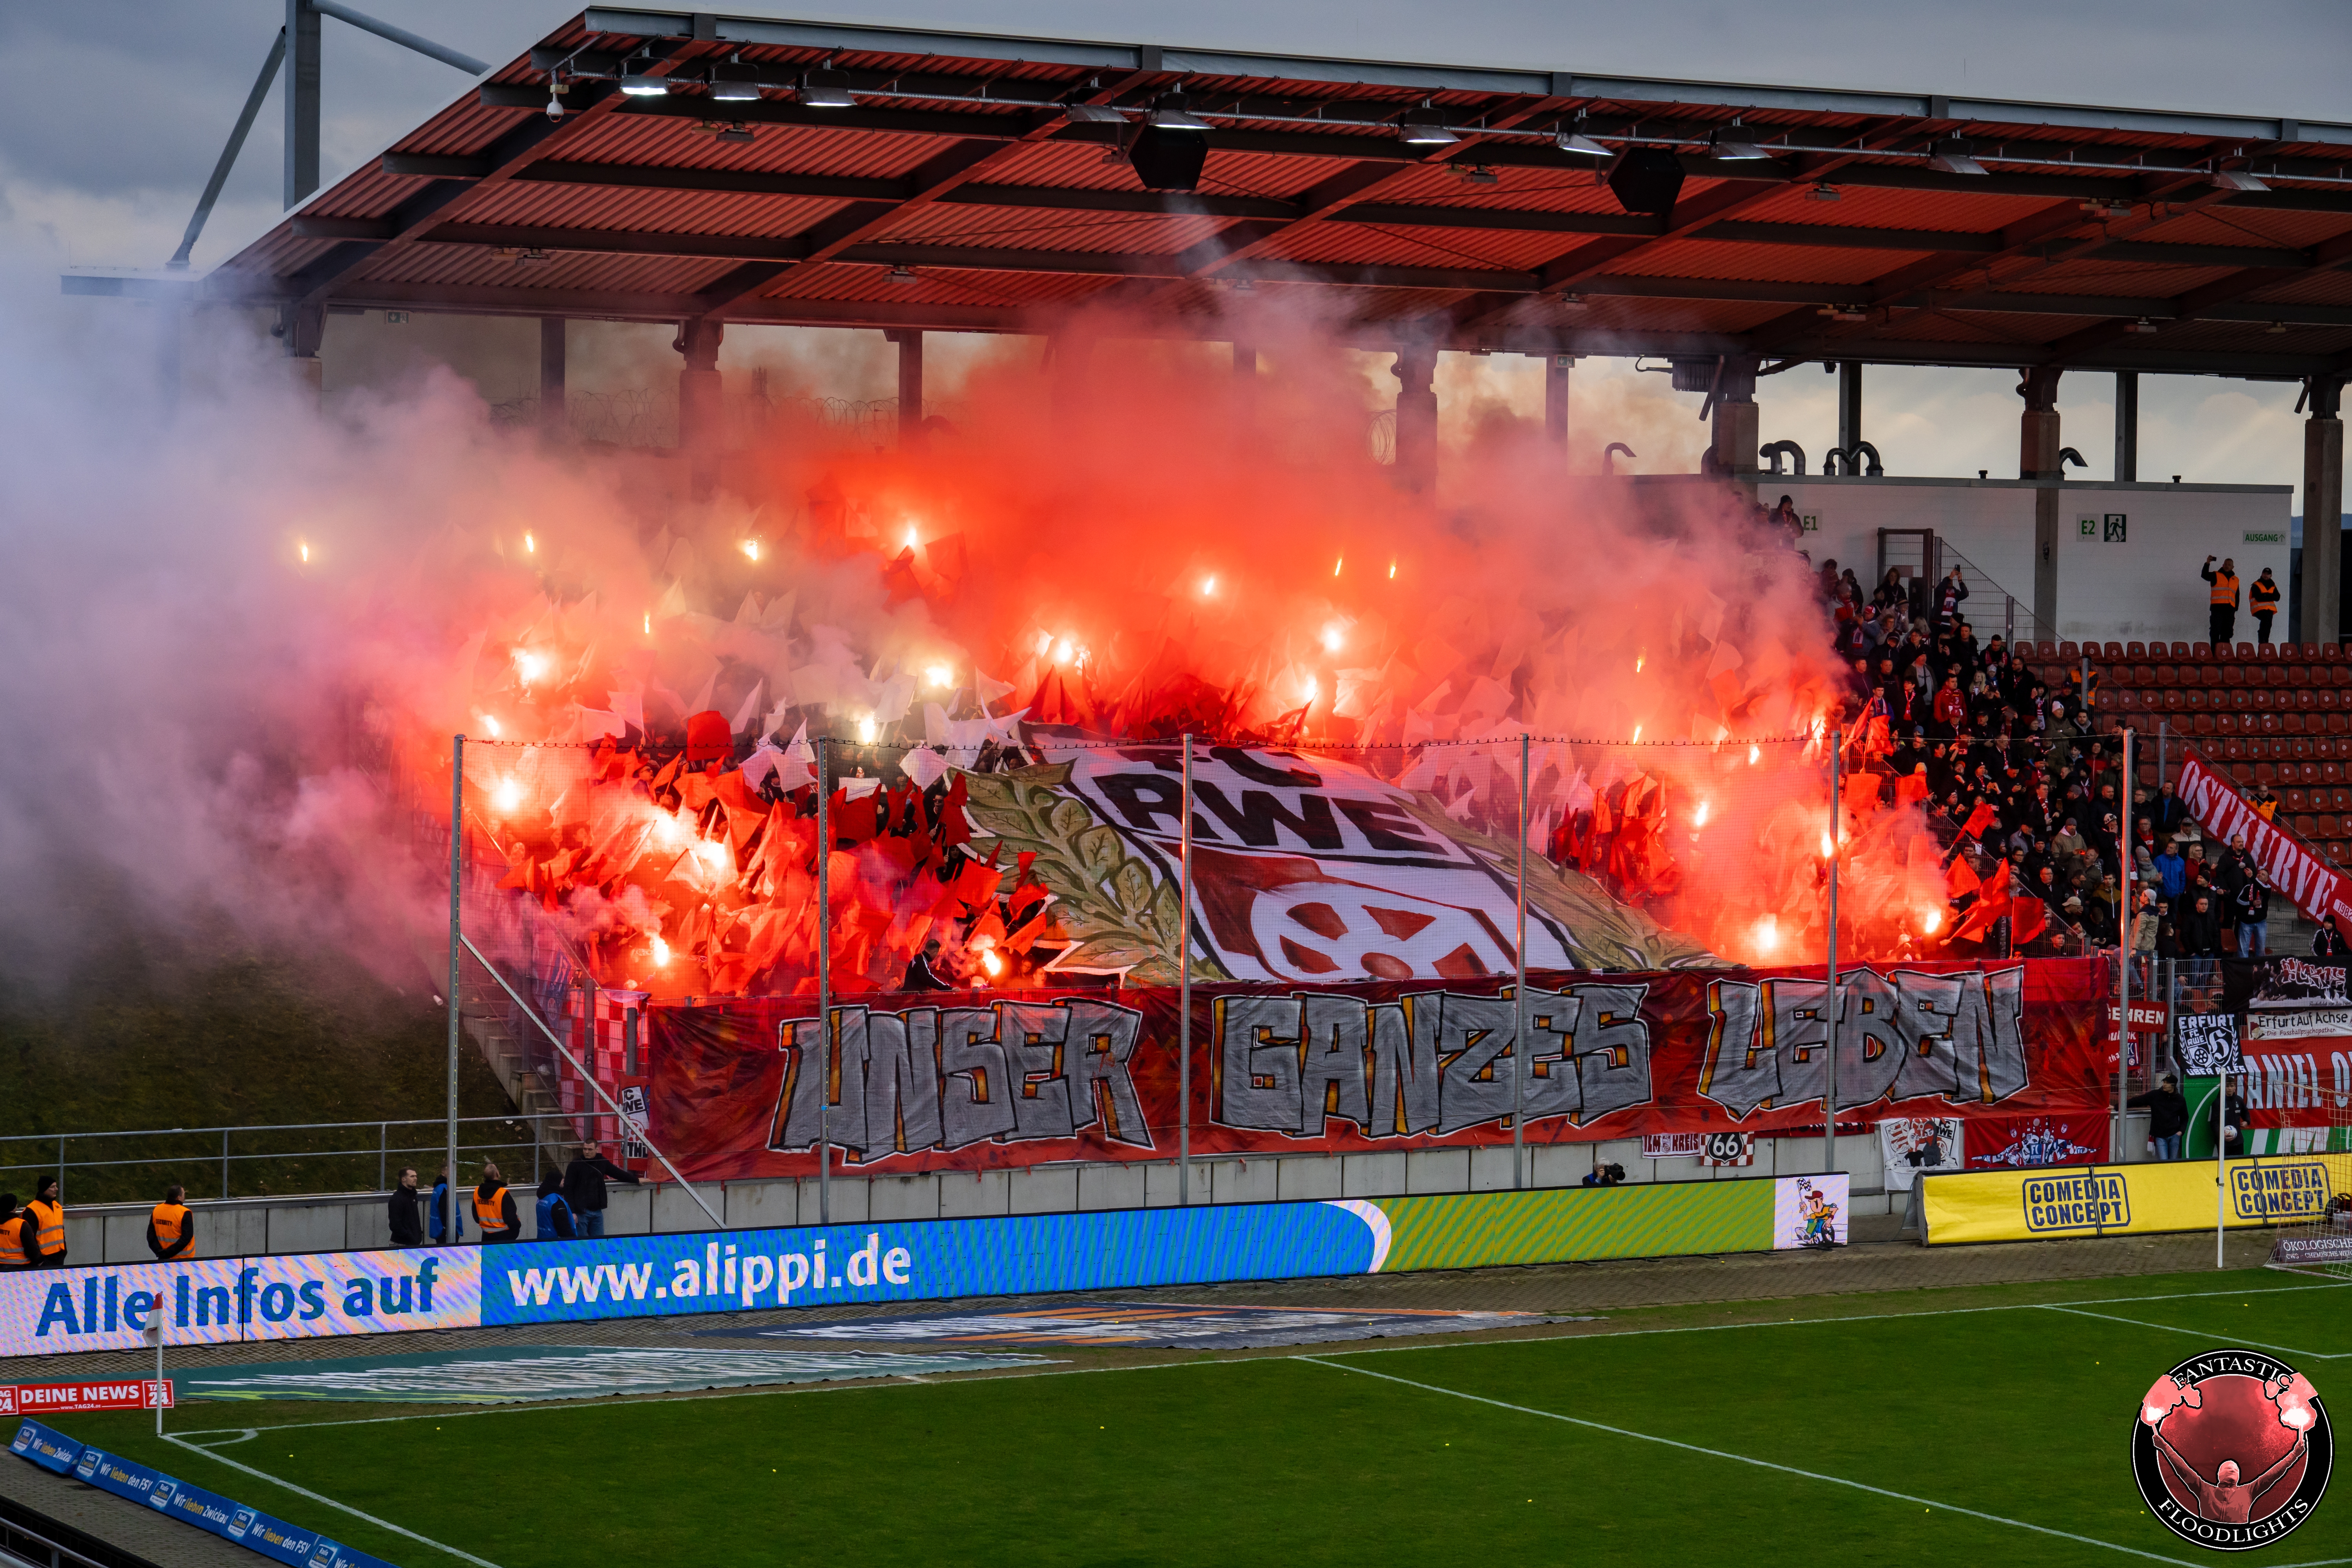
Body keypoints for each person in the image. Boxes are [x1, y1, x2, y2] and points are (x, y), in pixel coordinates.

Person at [562, 1143, 642, 1240]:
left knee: (600, 1243)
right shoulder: (575, 1164)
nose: (587, 1152)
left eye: (590, 1149)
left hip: (597, 1212)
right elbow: (568, 1188)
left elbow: (618, 1173)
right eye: (585, 1149)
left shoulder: (602, 1162)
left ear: (597, 1149)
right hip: (581, 1213)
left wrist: (637, 1180)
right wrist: (572, 1212)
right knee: (582, 1244)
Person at [2132, 1075, 2190, 1161]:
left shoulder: (2180, 1099)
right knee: (2164, 1162)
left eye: (2167, 1083)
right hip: (2160, 1137)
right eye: (2164, 1082)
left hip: (2175, 1136)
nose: (2164, 1085)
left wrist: (2181, 1131)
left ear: (2173, 1085)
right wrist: (2118, 1106)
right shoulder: (2155, 1095)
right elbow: (2138, 1101)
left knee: (2173, 1162)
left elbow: (2185, 1117)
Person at [472, 1162, 521, 1245]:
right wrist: (517, 1228)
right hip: (504, 1236)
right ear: (498, 1174)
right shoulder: (502, 1194)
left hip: (486, 1237)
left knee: (488, 1257)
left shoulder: (477, 1192)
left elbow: (476, 1217)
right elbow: (511, 1219)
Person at [24, 1178, 65, 1269]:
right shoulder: (32, 1210)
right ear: (44, 1189)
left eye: (56, 1186)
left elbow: (61, 1230)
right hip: (44, 1259)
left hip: (59, 1256)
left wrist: (64, 1251)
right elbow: (29, 1239)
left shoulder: (57, 1206)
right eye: (53, 1187)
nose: (56, 1189)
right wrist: (39, 1260)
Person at [145, 1184, 194, 1261]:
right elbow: (186, 1238)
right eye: (184, 1194)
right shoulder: (185, 1213)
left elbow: (150, 1236)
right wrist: (168, 1253)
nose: (185, 1197)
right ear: (179, 1197)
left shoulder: (157, 1210)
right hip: (183, 1260)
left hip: (163, 1258)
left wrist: (160, 1253)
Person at [2203, 555, 2241, 646]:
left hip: (2230, 611)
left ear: (2233, 567)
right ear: (2223, 565)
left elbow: (2237, 595)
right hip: (2217, 610)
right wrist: (2208, 563)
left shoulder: (2235, 579)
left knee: (2227, 634)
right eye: (2226, 564)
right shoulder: (2215, 575)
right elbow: (2204, 575)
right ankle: (2214, 655)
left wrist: (2235, 609)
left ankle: (2225, 655)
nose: (2227, 566)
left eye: (2229, 565)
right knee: (2215, 633)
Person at [388, 1167, 425, 1247]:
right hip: (401, 1244)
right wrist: (410, 1237)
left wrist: (418, 1235)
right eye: (412, 1176)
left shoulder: (413, 1196)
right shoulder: (397, 1199)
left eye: (416, 1176)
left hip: (413, 1243)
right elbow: (395, 1225)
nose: (415, 1178)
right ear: (403, 1179)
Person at [430, 1164, 465, 1246]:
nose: (454, 1174)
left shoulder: (439, 1187)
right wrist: (449, 1229)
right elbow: (445, 1212)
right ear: (443, 1172)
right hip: (447, 1231)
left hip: (442, 1230)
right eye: (451, 1171)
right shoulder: (445, 1189)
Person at [2237, 873, 2271, 957]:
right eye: (2259, 873)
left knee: (2261, 949)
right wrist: (2251, 903)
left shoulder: (2267, 888)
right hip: (2246, 923)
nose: (2260, 875)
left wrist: (2252, 877)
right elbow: (2239, 901)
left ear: (2266, 879)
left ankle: (2260, 969)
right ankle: (2243, 968)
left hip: (2261, 923)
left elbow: (2263, 889)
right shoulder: (2248, 887)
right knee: (2243, 949)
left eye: (2263, 875)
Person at [535, 1172, 576, 1241]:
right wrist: (572, 1239)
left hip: (542, 1239)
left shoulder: (542, 1198)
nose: (564, 1181)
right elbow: (564, 1228)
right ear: (556, 1181)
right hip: (556, 1243)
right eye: (561, 1180)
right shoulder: (556, 1202)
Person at [2250, 566, 2282, 645]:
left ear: (2271, 576)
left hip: (2269, 609)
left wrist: (2265, 595)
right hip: (2259, 609)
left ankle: (2266, 642)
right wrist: (2270, 596)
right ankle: (2262, 639)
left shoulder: (2273, 585)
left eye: (2268, 574)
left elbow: (2278, 597)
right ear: (2262, 574)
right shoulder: (2256, 585)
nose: (2266, 575)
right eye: (2265, 573)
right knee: (2265, 620)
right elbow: (2259, 598)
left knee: (2269, 624)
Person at [0, 1197, 26, 1270]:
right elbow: (31, 1248)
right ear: (15, 1208)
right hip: (19, 1266)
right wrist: (40, 1261)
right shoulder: (21, 1225)